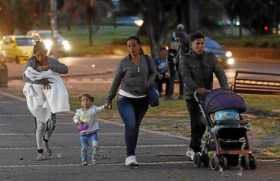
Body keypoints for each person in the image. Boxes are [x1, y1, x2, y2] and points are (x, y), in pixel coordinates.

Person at [106, 36, 156, 167]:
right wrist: (109, 98)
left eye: (134, 45)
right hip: (125, 98)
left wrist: (149, 81)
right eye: (129, 46)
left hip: (143, 100)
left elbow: (154, 73)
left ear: (139, 46)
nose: (131, 48)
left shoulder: (147, 59)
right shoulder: (124, 62)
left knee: (135, 127)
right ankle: (130, 156)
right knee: (131, 125)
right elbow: (116, 81)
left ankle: (132, 153)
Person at [179, 31, 229, 162]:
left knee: (208, 122)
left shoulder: (210, 57)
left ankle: (197, 147)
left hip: (208, 96)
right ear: (191, 45)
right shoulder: (185, 59)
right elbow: (186, 77)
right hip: (192, 96)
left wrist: (225, 88)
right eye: (197, 43)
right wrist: (196, 88)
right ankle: (194, 149)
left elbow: (220, 73)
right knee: (197, 123)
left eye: (202, 43)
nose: (200, 46)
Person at [23, 41, 69, 160]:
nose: (41, 57)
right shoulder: (31, 62)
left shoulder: (51, 60)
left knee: (52, 124)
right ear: (34, 55)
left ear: (46, 53)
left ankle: (46, 139)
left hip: (50, 96)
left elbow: (65, 69)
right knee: (40, 124)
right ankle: (40, 151)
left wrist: (49, 66)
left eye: (43, 54)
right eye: (38, 55)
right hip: (37, 97)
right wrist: (39, 81)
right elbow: (26, 76)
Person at [73, 94, 108, 166]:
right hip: (83, 133)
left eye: (87, 100)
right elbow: (75, 118)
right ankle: (84, 160)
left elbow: (101, 108)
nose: (85, 102)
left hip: (93, 132)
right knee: (84, 147)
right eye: (83, 100)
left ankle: (94, 157)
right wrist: (77, 122)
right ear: (80, 102)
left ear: (91, 101)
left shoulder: (94, 109)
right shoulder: (79, 111)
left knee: (95, 145)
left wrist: (106, 105)